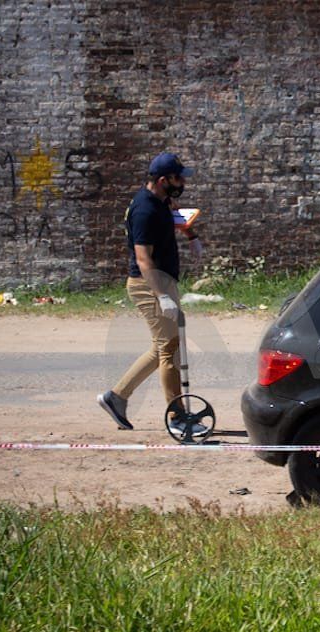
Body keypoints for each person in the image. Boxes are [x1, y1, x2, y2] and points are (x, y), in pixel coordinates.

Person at [98, 152, 204, 434]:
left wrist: (192, 237)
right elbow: (144, 260)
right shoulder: (144, 210)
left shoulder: (161, 199)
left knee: (163, 348)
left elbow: (176, 212)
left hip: (163, 281)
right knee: (169, 349)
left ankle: (116, 397)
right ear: (162, 180)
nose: (182, 181)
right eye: (177, 177)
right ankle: (178, 417)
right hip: (148, 285)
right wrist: (162, 296)